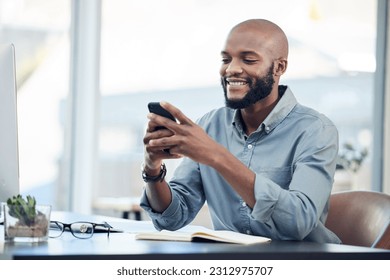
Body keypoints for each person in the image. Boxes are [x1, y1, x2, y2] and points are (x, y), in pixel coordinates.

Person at [140, 18, 341, 243]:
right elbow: (172, 218)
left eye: (248, 59)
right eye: (226, 59)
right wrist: (153, 169)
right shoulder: (209, 125)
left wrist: (217, 157)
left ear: (279, 67)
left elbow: (298, 222)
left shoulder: (316, 131)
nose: (232, 69)